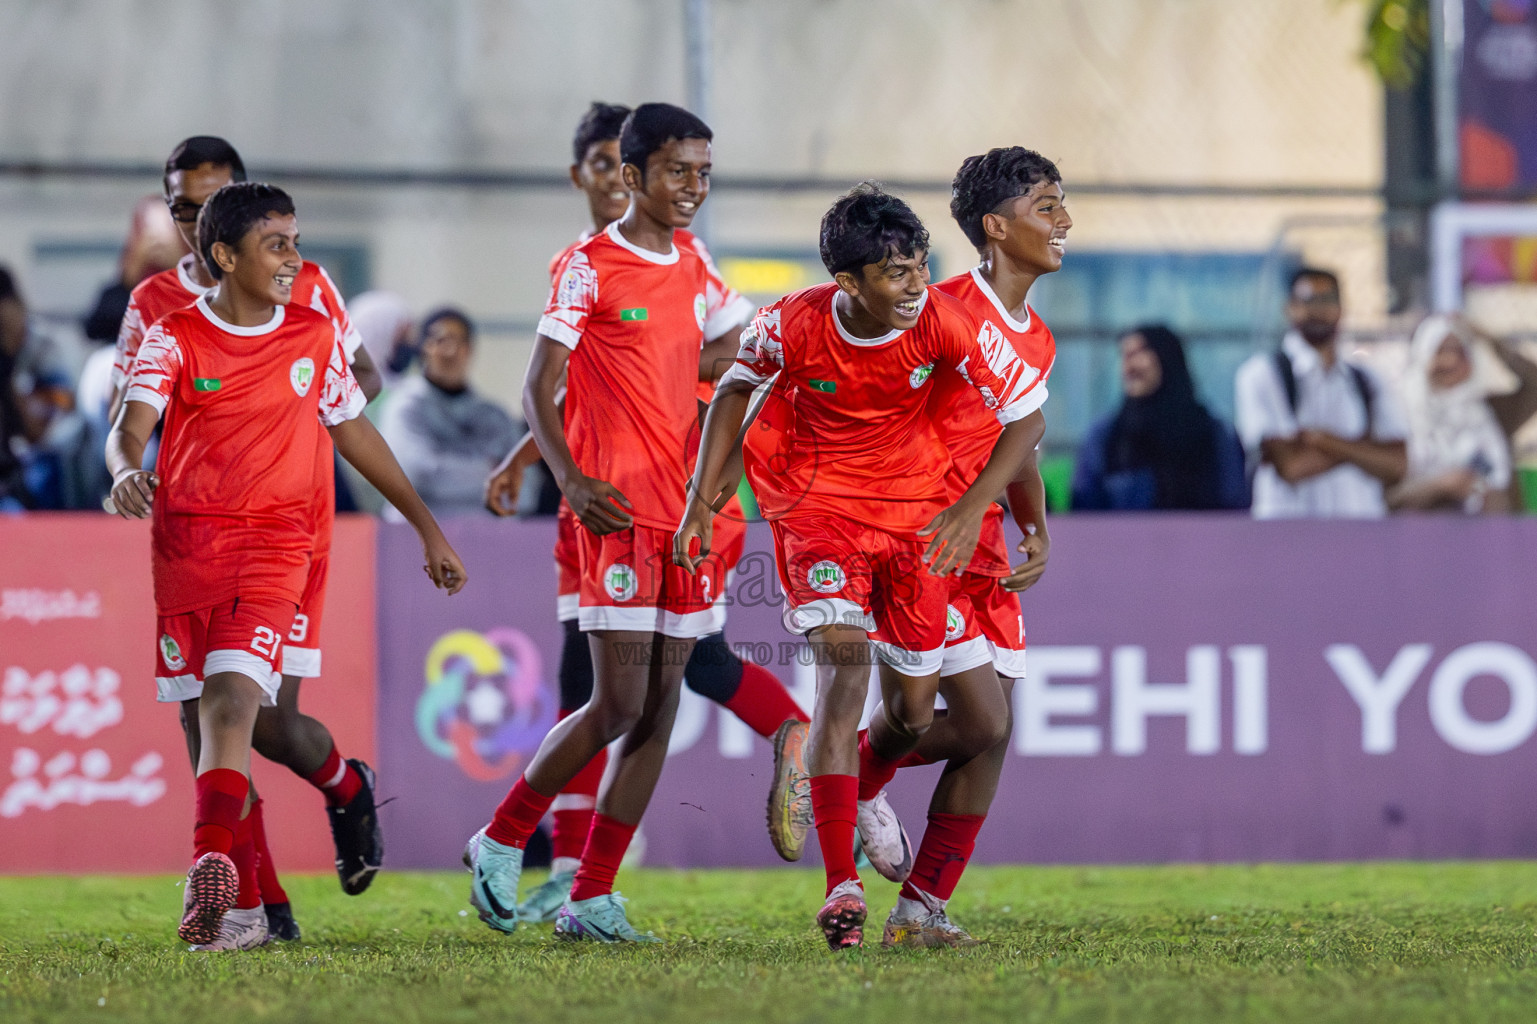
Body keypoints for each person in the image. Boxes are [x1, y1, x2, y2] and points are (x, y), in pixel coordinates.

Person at [676, 183, 1043, 950]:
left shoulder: (942, 322)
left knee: (915, 715)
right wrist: (703, 497)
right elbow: (734, 389)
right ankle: (840, 887)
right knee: (842, 674)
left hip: (915, 525)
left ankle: (849, 782)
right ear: (846, 283)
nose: (914, 286)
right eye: (894, 273)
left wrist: (977, 507)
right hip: (817, 519)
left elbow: (1024, 419)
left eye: (918, 265)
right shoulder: (790, 322)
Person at [105, 181, 466, 951]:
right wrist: (122, 469)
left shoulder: (313, 333)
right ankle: (262, 891)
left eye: (296, 241)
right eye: (277, 244)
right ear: (224, 255)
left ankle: (210, 868)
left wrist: (426, 527)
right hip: (187, 547)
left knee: (231, 704)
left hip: (279, 546)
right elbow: (129, 426)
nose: (293, 257)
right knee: (220, 720)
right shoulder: (172, 335)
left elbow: (356, 433)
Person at [478, 101, 811, 924]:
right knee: (615, 703)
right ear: (631, 177)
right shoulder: (589, 265)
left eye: (703, 171)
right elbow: (536, 384)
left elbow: (743, 343)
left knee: (659, 712)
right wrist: (568, 477)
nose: (693, 187)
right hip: (618, 512)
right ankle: (501, 837)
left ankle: (591, 895)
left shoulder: (695, 264)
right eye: (676, 171)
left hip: (687, 516)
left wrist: (704, 378)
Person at [850, 148, 1061, 950]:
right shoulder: (938, 309)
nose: (1064, 221)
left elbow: (1020, 443)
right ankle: (840, 777)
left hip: (981, 543)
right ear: (995, 227)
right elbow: (882, 409)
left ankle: (918, 909)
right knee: (953, 716)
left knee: (992, 728)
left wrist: (1034, 524)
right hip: (919, 538)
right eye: (1047, 205)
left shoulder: (1033, 338)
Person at [1235, 267, 1408, 518]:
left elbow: (1396, 466)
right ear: (1290, 308)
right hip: (1288, 535)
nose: (1318, 310)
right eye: (1309, 302)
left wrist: (1324, 441)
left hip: (1360, 530)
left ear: (1341, 309)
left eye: (1327, 301)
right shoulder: (1262, 375)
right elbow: (1291, 467)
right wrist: (1365, 448)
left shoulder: (1368, 379)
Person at [1072, 324, 1249, 511]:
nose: (1129, 367)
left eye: (1139, 353)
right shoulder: (1106, 438)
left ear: (1167, 358)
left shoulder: (1215, 434)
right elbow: (1085, 507)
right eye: (1124, 355)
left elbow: (1234, 503)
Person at [375, 307, 520, 519]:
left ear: (470, 350)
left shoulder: (495, 416)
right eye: (440, 340)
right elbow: (414, 476)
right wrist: (493, 473)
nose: (450, 351)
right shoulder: (403, 407)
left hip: (487, 538)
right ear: (423, 347)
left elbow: (524, 487)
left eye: (459, 342)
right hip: (416, 535)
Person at [1389, 314, 1513, 514]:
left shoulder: (1485, 412)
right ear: (1423, 354)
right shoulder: (1397, 411)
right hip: (1414, 536)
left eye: (1459, 351)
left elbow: (1532, 382)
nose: (1450, 360)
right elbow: (1384, 499)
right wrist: (1441, 487)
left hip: (1478, 536)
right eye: (1441, 350)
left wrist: (1485, 335)